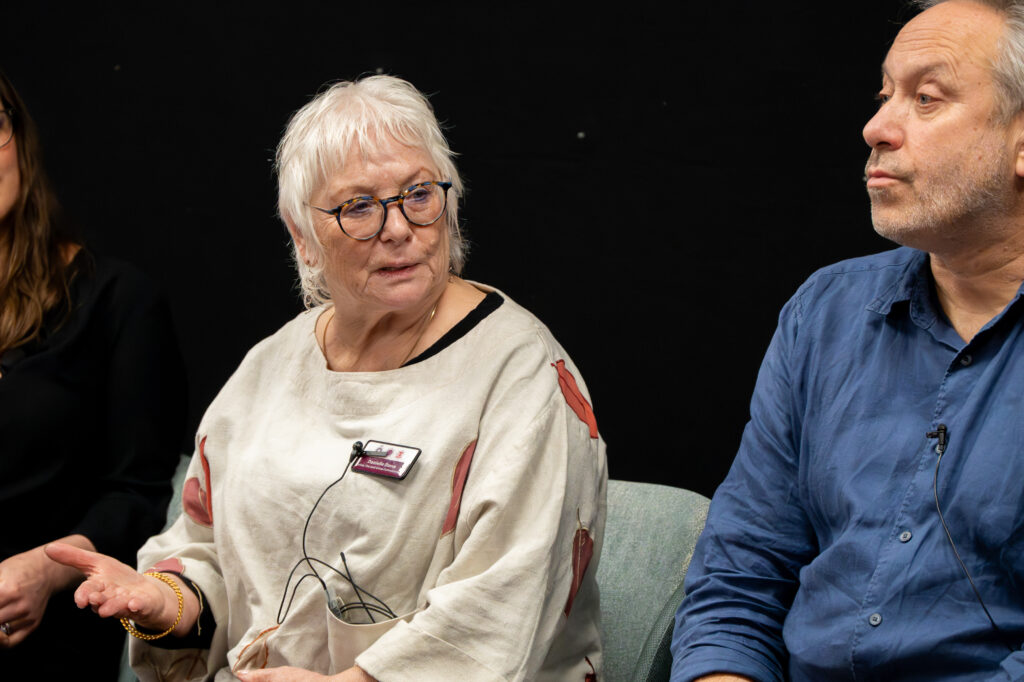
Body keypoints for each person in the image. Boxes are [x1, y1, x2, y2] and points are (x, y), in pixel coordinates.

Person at [47, 75, 607, 682]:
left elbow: (500, 604)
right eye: (359, 206)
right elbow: (210, 549)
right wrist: (165, 603)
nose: (398, 227)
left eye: (419, 194)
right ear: (303, 236)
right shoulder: (271, 365)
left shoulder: (521, 374)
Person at [671, 1, 1024, 680]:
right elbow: (741, 576)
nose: (876, 128)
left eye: (926, 98)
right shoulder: (826, 312)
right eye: (884, 96)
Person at [0, 70, 187, 678]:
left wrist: (47, 569)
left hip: (50, 628)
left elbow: (140, 493)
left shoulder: (115, 300)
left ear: (20, 140)